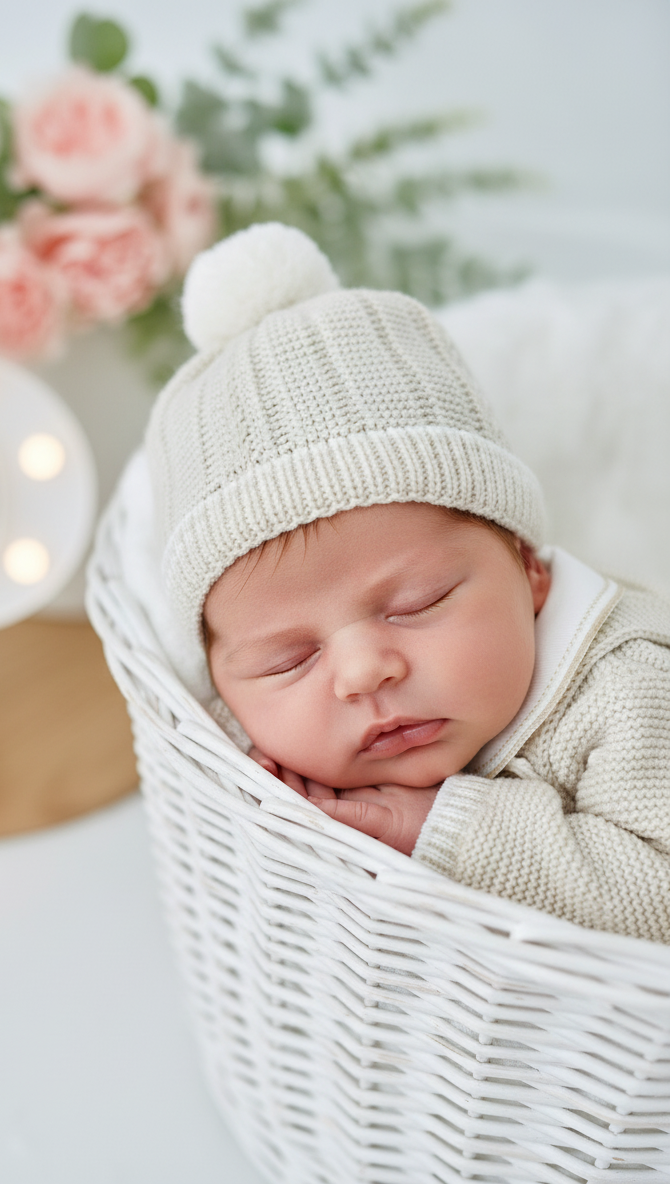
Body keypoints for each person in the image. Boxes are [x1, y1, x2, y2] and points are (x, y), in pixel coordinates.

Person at [145, 223, 670, 942]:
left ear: (530, 569)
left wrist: (438, 827)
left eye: (417, 604)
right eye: (287, 660)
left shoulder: (630, 691)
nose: (363, 672)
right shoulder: (279, 739)